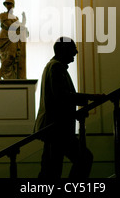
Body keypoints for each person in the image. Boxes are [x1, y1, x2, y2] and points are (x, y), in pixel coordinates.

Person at [34, 37, 105, 179]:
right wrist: (91, 97)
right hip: (57, 128)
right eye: (73, 48)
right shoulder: (56, 67)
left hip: (54, 127)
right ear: (64, 50)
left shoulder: (52, 66)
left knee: (50, 169)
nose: (76, 52)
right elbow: (62, 95)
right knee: (81, 159)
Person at [0, 0, 28, 79]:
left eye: (11, 4)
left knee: (13, 56)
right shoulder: (2, 15)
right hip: (4, 39)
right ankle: (1, 73)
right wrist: (21, 26)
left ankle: (2, 74)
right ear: (5, 5)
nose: (9, 5)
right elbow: (9, 26)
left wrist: (23, 22)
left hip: (14, 39)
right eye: (7, 3)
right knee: (10, 56)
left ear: (13, 5)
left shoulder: (15, 18)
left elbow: (19, 27)